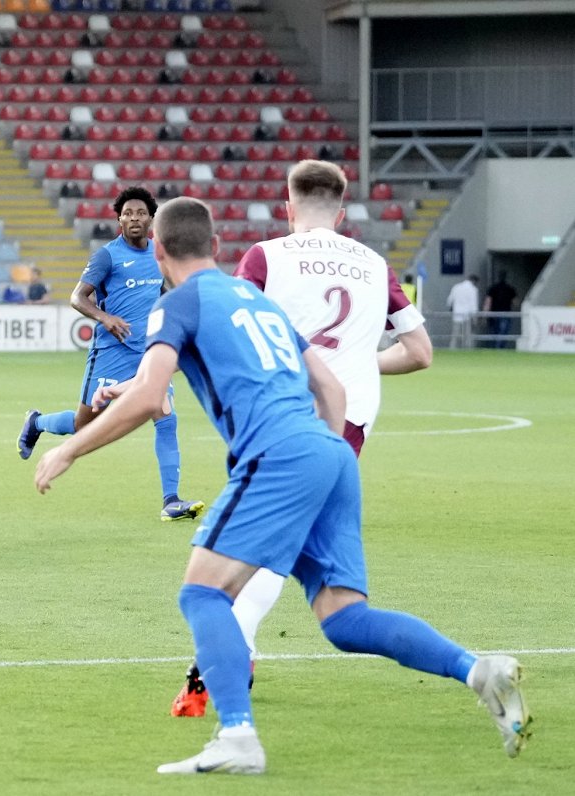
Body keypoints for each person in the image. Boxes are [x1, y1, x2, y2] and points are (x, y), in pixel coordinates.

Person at [33, 197, 531, 775]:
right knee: (344, 619)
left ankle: (237, 737)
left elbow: (150, 399)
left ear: (160, 252)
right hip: (330, 451)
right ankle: (478, 670)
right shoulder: (256, 301)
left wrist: (68, 448)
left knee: (202, 594)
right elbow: (330, 389)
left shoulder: (174, 304)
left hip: (278, 455)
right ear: (218, 248)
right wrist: (315, 454)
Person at [171, 159, 434, 716]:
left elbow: (226, 324)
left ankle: (227, 660)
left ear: (287, 207)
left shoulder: (266, 255)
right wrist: (359, 362)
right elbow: (419, 353)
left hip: (278, 412)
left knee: (266, 540)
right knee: (279, 543)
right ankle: (229, 654)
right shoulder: (374, 263)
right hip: (349, 420)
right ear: (342, 213)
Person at [17, 186, 202, 522]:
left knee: (166, 417)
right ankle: (38, 422)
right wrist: (105, 318)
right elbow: (77, 297)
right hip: (110, 351)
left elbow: (166, 293)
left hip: (147, 353)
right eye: (128, 213)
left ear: (151, 219)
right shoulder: (108, 256)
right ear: (119, 219)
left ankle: (171, 499)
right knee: (84, 425)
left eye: (140, 213)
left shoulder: (159, 255)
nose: (134, 218)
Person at [483, 271, 517, 348]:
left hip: (494, 314)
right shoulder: (510, 289)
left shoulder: (492, 288)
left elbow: (488, 302)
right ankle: (499, 348)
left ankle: (494, 348)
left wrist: (484, 315)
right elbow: (515, 302)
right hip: (505, 313)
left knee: (494, 332)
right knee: (503, 333)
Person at [447, 273, 480, 349]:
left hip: (456, 315)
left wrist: (451, 310)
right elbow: (473, 305)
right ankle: (467, 350)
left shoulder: (456, 287)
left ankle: (452, 349)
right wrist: (475, 319)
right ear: (474, 281)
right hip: (467, 316)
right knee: (467, 336)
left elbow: (449, 301)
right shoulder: (473, 289)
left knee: (455, 335)